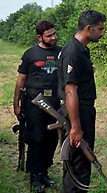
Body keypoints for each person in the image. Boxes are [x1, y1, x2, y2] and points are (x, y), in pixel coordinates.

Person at [57, 10, 106, 192]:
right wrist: (76, 127)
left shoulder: (81, 50)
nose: (102, 33)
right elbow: (70, 91)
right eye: (99, 29)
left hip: (81, 110)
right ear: (88, 28)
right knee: (77, 163)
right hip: (77, 112)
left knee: (81, 162)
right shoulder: (72, 52)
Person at [13, 20, 61, 192]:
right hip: (34, 102)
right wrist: (16, 104)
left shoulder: (61, 53)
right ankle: (34, 176)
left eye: (54, 34)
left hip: (54, 102)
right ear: (39, 37)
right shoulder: (30, 54)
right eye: (49, 35)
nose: (54, 37)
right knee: (36, 138)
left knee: (51, 138)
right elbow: (20, 81)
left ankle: (44, 172)